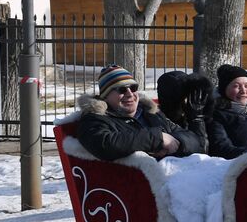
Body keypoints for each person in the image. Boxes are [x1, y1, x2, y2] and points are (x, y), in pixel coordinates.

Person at [74, 65, 204, 161]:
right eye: (121, 89)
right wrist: (158, 139)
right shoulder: (95, 118)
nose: (129, 94)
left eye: (133, 88)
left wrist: (176, 143)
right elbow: (105, 144)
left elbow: (196, 141)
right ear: (105, 96)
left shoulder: (150, 112)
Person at [155, 70, 213, 154]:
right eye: (187, 97)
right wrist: (196, 120)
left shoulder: (197, 114)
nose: (192, 102)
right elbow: (200, 151)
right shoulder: (161, 121)